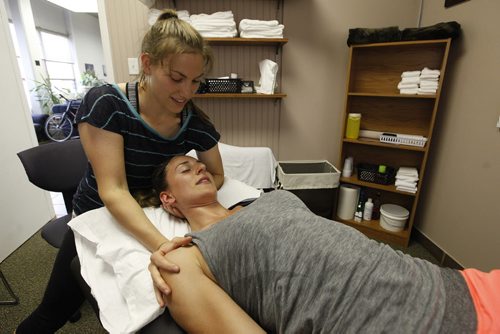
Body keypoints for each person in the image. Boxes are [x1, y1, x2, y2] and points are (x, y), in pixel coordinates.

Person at [17, 9, 224, 333]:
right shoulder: (107, 104)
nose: (186, 92)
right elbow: (113, 190)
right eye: (176, 78)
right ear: (147, 63)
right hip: (98, 214)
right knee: (53, 312)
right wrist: (162, 245)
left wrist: (189, 198)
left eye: (196, 81)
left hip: (156, 214)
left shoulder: (193, 120)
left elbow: (217, 173)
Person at [151, 155, 499, 333]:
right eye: (186, 168)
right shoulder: (185, 259)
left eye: (200, 164)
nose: (200, 168)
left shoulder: (261, 199)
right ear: (167, 199)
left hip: (457, 286)